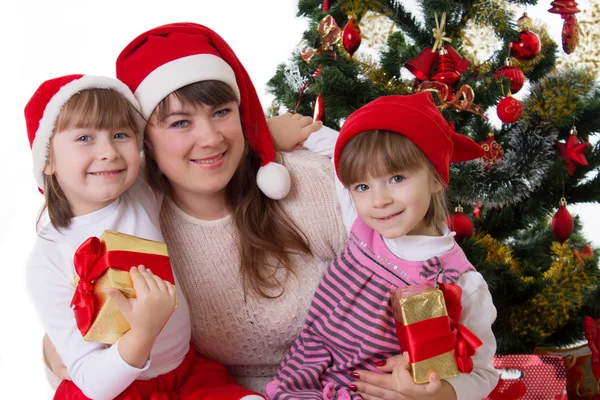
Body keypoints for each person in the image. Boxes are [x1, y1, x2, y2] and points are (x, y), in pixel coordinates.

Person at [43, 22, 348, 395]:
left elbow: (403, 273)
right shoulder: (136, 219)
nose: (211, 138)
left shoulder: (307, 183)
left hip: (343, 379)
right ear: (144, 141)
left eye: (221, 112)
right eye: (181, 122)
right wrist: (53, 347)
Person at [25, 74, 266, 399]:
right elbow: (91, 381)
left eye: (121, 134)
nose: (108, 151)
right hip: (117, 390)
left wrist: (268, 132)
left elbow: (190, 156)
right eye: (84, 138)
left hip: (186, 371)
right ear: (48, 160)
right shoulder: (48, 260)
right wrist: (143, 333)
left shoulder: (141, 190)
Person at [265, 93, 499, 400]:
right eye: (362, 186)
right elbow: (339, 148)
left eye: (397, 178)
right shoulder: (361, 225)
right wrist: (269, 131)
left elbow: (484, 375)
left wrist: (437, 393)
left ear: (436, 177)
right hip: (305, 377)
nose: (379, 200)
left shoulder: (459, 282)